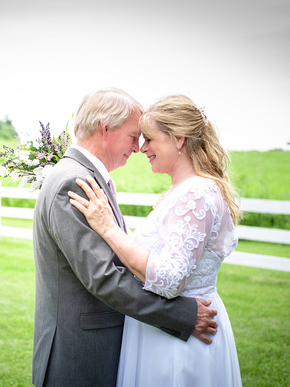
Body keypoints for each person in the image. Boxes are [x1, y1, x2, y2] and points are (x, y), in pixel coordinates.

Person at [32, 89, 219, 387]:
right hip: (81, 353)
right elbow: (105, 276)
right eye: (133, 136)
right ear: (105, 128)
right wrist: (182, 315)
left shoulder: (87, 176)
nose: (137, 148)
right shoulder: (75, 181)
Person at [68, 94, 243, 386]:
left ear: (178, 139)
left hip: (180, 341)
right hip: (165, 331)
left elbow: (171, 279)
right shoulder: (185, 190)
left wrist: (109, 229)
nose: (141, 148)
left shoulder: (195, 193)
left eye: (149, 139)